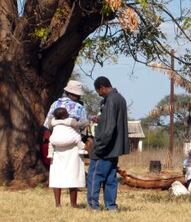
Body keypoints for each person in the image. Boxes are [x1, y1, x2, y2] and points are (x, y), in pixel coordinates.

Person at [43, 80, 88, 208]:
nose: (78, 97)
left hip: (57, 147)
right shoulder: (79, 107)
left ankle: (58, 204)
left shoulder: (54, 104)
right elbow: (83, 128)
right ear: (73, 94)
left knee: (57, 175)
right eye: (78, 95)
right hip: (73, 147)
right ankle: (73, 204)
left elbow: (47, 125)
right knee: (73, 175)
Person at [87, 76, 129, 211]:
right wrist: (100, 119)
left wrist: (98, 146)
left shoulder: (110, 100)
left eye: (98, 91)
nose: (99, 94)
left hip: (104, 148)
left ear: (102, 87)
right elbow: (112, 120)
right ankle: (111, 206)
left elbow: (109, 127)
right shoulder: (120, 98)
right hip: (114, 148)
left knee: (95, 176)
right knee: (111, 178)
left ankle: (93, 206)